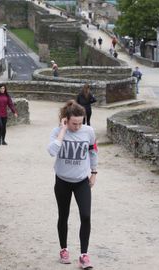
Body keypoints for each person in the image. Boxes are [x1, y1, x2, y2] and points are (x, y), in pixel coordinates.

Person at [47, 100, 98, 269]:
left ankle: (84, 256)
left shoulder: (88, 131)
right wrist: (63, 130)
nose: (77, 126)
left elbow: (93, 151)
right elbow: (52, 151)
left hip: (81, 181)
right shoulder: (57, 131)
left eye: (80, 123)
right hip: (62, 181)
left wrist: (94, 172)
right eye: (73, 123)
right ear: (66, 120)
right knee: (64, 215)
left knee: (86, 216)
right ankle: (64, 249)